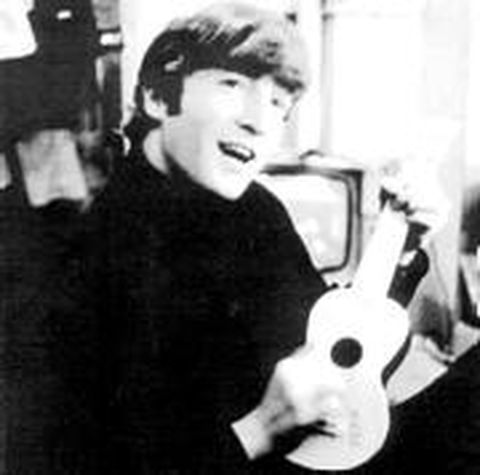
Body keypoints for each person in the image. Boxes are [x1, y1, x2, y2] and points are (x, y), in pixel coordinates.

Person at [50, 3, 480, 474]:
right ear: (157, 96)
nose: (259, 121)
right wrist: (262, 428)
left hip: (318, 459)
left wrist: (402, 244)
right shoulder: (82, 244)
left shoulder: (257, 210)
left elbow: (343, 357)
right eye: (232, 84)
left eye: (279, 103)